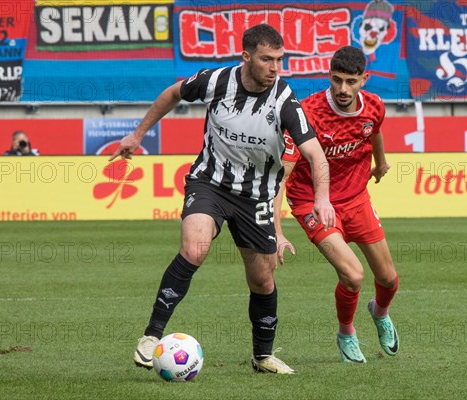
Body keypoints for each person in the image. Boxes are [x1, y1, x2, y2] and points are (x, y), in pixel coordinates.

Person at [109, 24, 335, 374]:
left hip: (257, 195)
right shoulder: (216, 81)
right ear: (246, 57)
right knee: (195, 248)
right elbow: (172, 94)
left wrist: (323, 199)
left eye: (280, 59)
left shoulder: (285, 100)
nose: (275, 68)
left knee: (262, 279)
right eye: (267, 59)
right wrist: (138, 135)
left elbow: (317, 156)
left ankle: (263, 356)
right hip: (210, 184)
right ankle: (152, 336)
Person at [275, 45, 399, 363]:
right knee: (354, 276)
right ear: (329, 76)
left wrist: (380, 163)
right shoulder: (308, 113)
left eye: (351, 81)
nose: (343, 89)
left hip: (357, 198)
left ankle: (380, 313)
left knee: (388, 279)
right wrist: (276, 230)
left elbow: (375, 132)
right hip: (311, 203)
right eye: (337, 79)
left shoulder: (374, 107)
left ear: (364, 79)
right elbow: (281, 176)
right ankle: (346, 333)